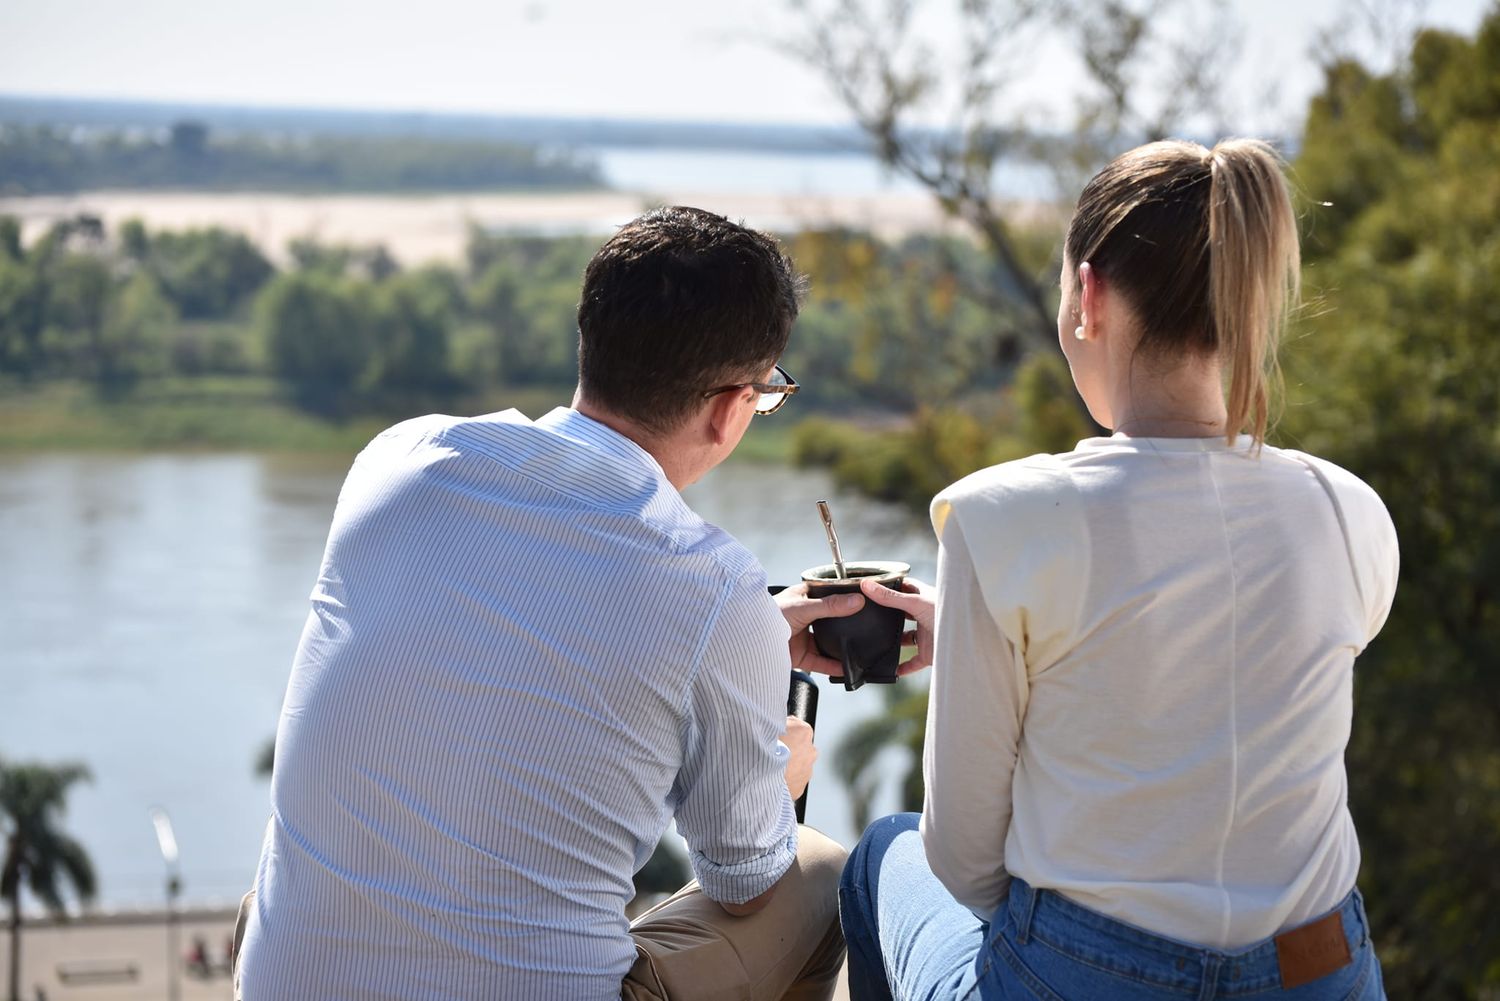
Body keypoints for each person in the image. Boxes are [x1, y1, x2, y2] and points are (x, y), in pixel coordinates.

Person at [235, 206, 927, 1000]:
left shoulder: (399, 461)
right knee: (818, 869)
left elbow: (508, 637)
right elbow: (745, 880)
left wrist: (749, 640)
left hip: (286, 982)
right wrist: (782, 764)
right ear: (732, 406)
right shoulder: (709, 583)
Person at [839, 139, 1399, 999]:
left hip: (1088, 976)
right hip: (1319, 971)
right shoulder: (1348, 510)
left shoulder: (1003, 517)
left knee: (884, 851)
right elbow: (1221, 647)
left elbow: (964, 865)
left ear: (1087, 297)